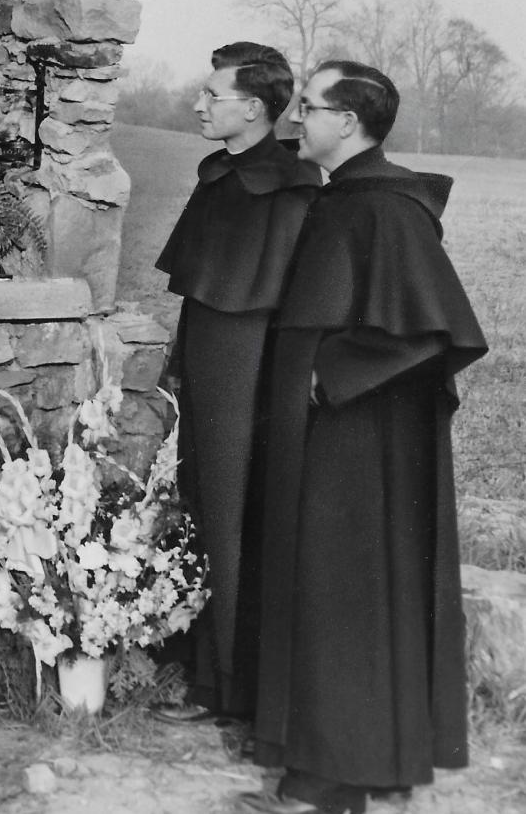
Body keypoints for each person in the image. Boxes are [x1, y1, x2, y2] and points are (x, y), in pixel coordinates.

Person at [243, 62, 487, 814]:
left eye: (308, 109)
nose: (293, 122)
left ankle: (334, 781)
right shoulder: (347, 196)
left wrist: (330, 375)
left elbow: (435, 325)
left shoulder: (386, 206)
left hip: (358, 441)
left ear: (347, 122)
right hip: (329, 432)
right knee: (323, 595)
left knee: (341, 598)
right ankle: (328, 766)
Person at [154, 42, 321, 725]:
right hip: (210, 368)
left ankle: (232, 688)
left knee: (236, 522)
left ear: (252, 108)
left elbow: (289, 301)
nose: (199, 103)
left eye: (212, 94)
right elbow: (204, 291)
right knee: (203, 511)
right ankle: (207, 672)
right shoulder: (220, 175)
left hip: (250, 378)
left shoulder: (293, 186)